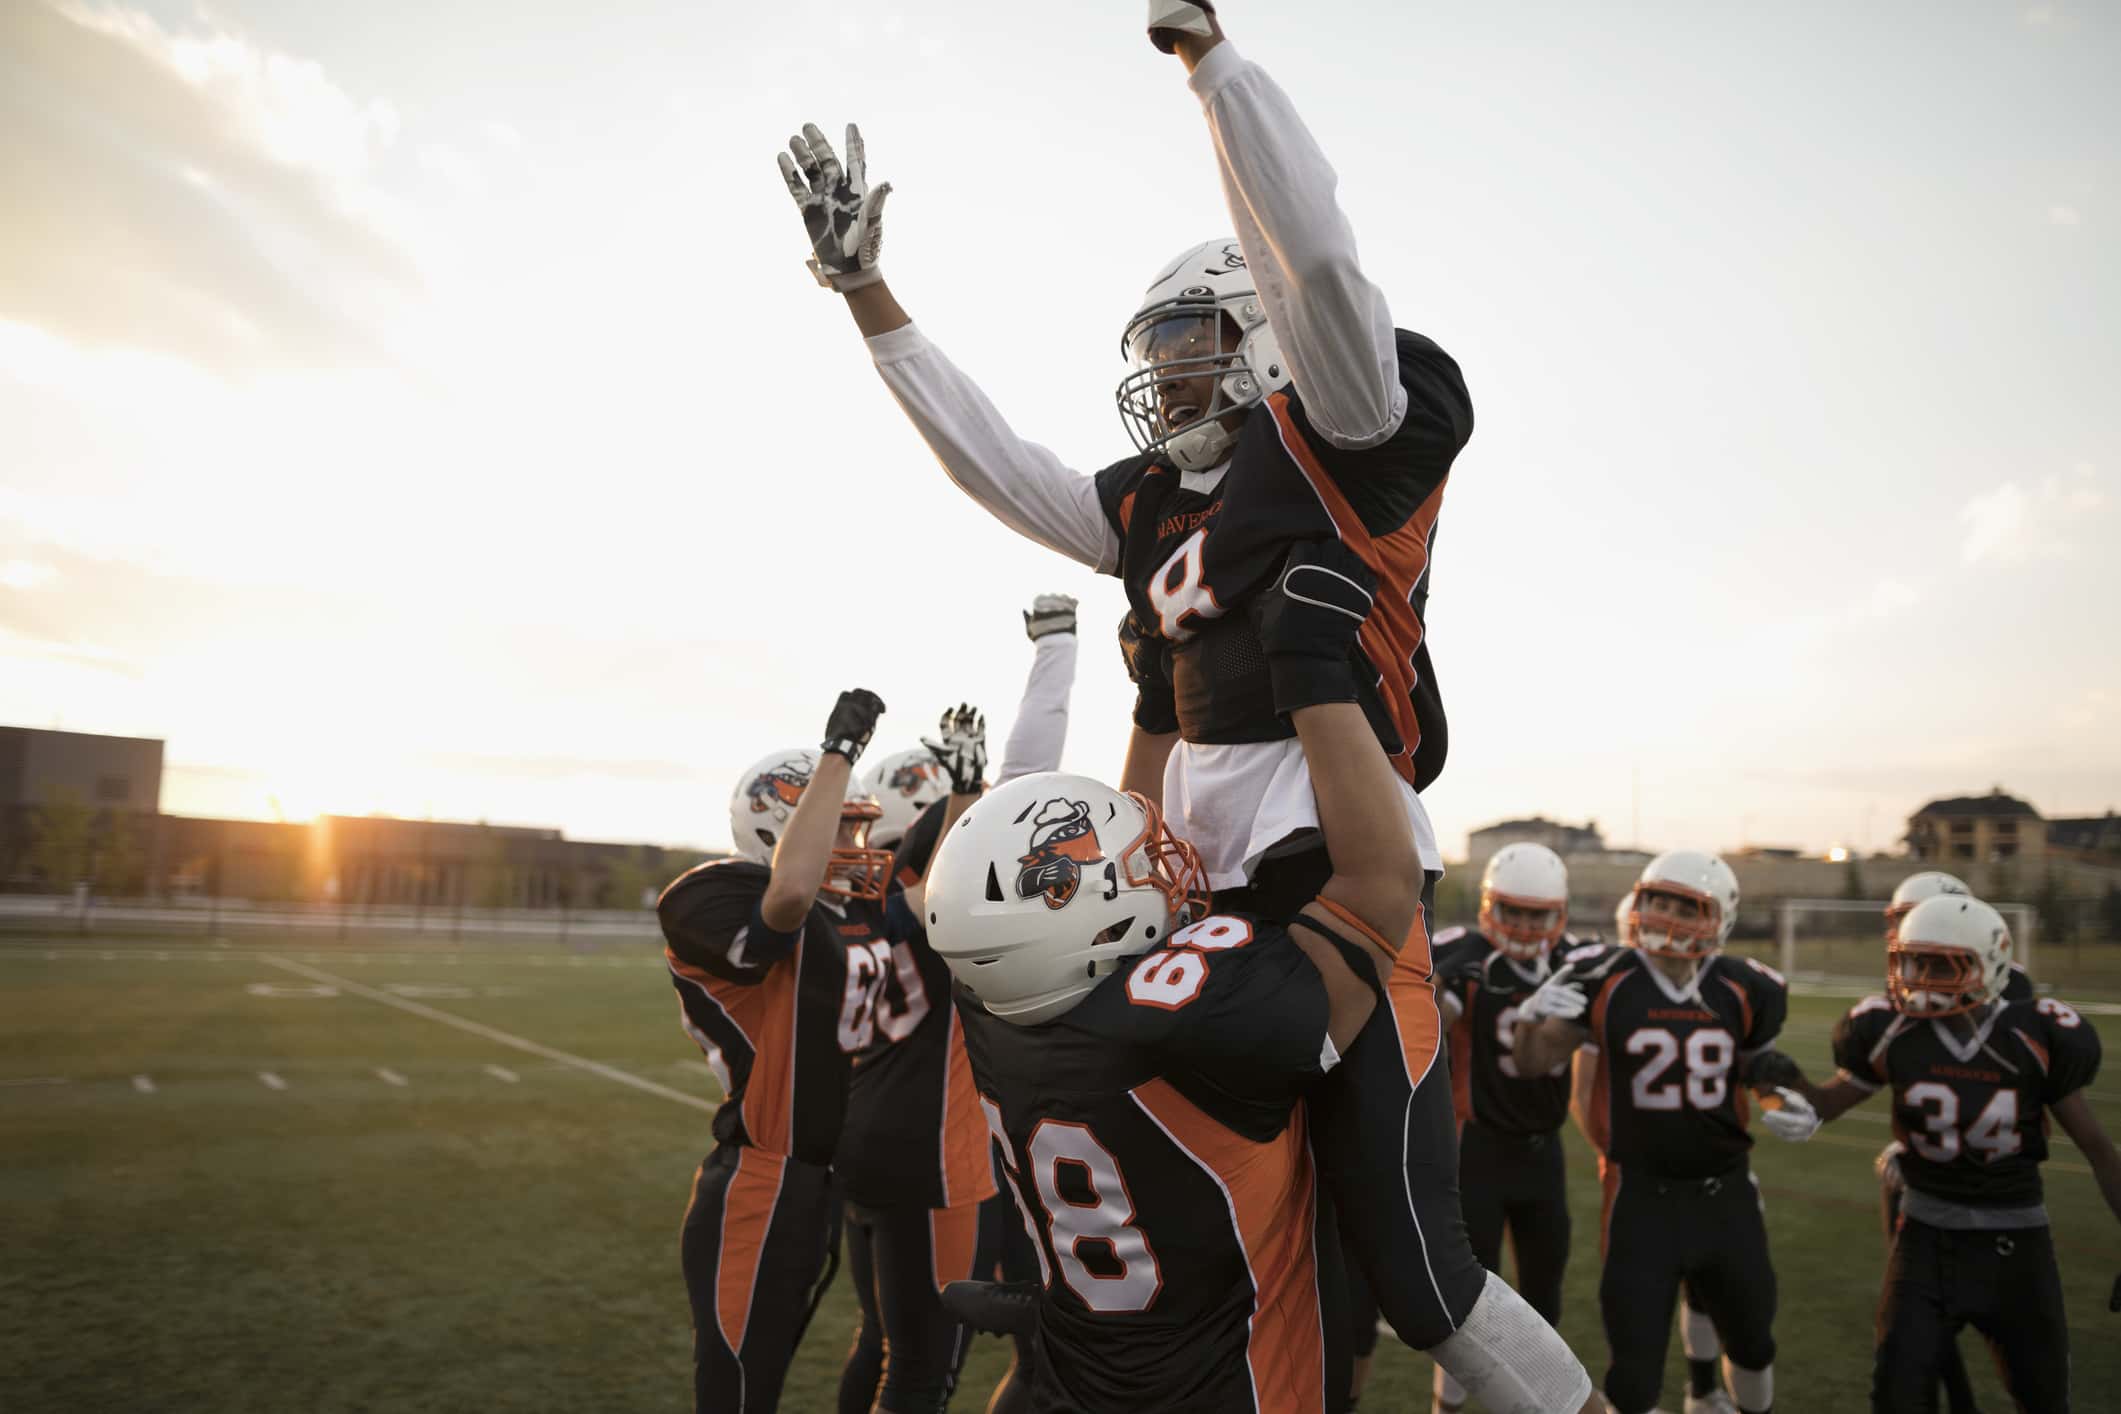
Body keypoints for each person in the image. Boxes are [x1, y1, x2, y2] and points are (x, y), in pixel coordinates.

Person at [774, 9, 1590, 1402]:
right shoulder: (1156, 500)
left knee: (1413, 1268)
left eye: (1200, 340)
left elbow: (1318, 258)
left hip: (1340, 870)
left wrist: (1208, 64)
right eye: (1168, 346)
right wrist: (869, 299)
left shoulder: (1337, 432)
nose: (1174, 374)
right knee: (1083, 1090)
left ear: (1267, 341)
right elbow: (998, 466)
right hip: (1186, 879)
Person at [924, 544, 1597, 1414]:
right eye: (1129, 865)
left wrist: (1155, 705)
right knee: (1431, 1277)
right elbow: (1380, 882)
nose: (1160, 853)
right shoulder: (1192, 1020)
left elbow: (1118, 869)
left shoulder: (998, 1003)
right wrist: (1314, 672)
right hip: (1226, 1387)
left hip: (1089, 1358)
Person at [836, 595, 1082, 1414]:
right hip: (935, 1151)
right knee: (922, 1371)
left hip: (864, 1134)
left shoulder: (848, 913)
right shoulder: (925, 902)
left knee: (882, 1345)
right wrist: (1055, 654)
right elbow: (1014, 789)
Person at [1750, 894, 2121, 1413]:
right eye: (1914, 960)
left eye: (1940, 964)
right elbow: (1830, 1103)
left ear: (1987, 965)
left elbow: (2099, 1148)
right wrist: (1788, 1085)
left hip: (2015, 1244)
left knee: (2042, 1397)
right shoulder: (1894, 1030)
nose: (1921, 976)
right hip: (1925, 1241)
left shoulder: (2034, 1037)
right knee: (1897, 1393)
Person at [1514, 850, 1818, 1414]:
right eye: (1658, 900)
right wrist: (1530, 1017)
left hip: (1724, 1194)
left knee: (1753, 1343)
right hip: (1641, 1201)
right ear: (1639, 902)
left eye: (1686, 905)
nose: (1667, 916)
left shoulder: (1745, 987)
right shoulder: (1603, 976)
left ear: (1719, 917)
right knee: (1633, 1374)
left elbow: (1760, 1070)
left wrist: (1787, 1100)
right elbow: (1532, 1063)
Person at [656, 689, 893, 1412]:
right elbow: (784, 898)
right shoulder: (710, 895)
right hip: (758, 1178)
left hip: (816, 1183)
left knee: (764, 1382)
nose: (855, 851)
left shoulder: (837, 918)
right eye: (840, 830)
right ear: (780, 828)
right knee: (733, 1395)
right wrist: (840, 753)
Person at [1425, 842, 1579, 1414]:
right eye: (1512, 911)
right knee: (1469, 1304)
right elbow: (1424, 1010)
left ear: (1557, 914)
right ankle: (1447, 1405)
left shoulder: (1576, 960)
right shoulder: (1463, 954)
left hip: (1544, 1153)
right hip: (1479, 1149)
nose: (1522, 924)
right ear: (1492, 906)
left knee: (1545, 1293)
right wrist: (1439, 992)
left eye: (1535, 914)